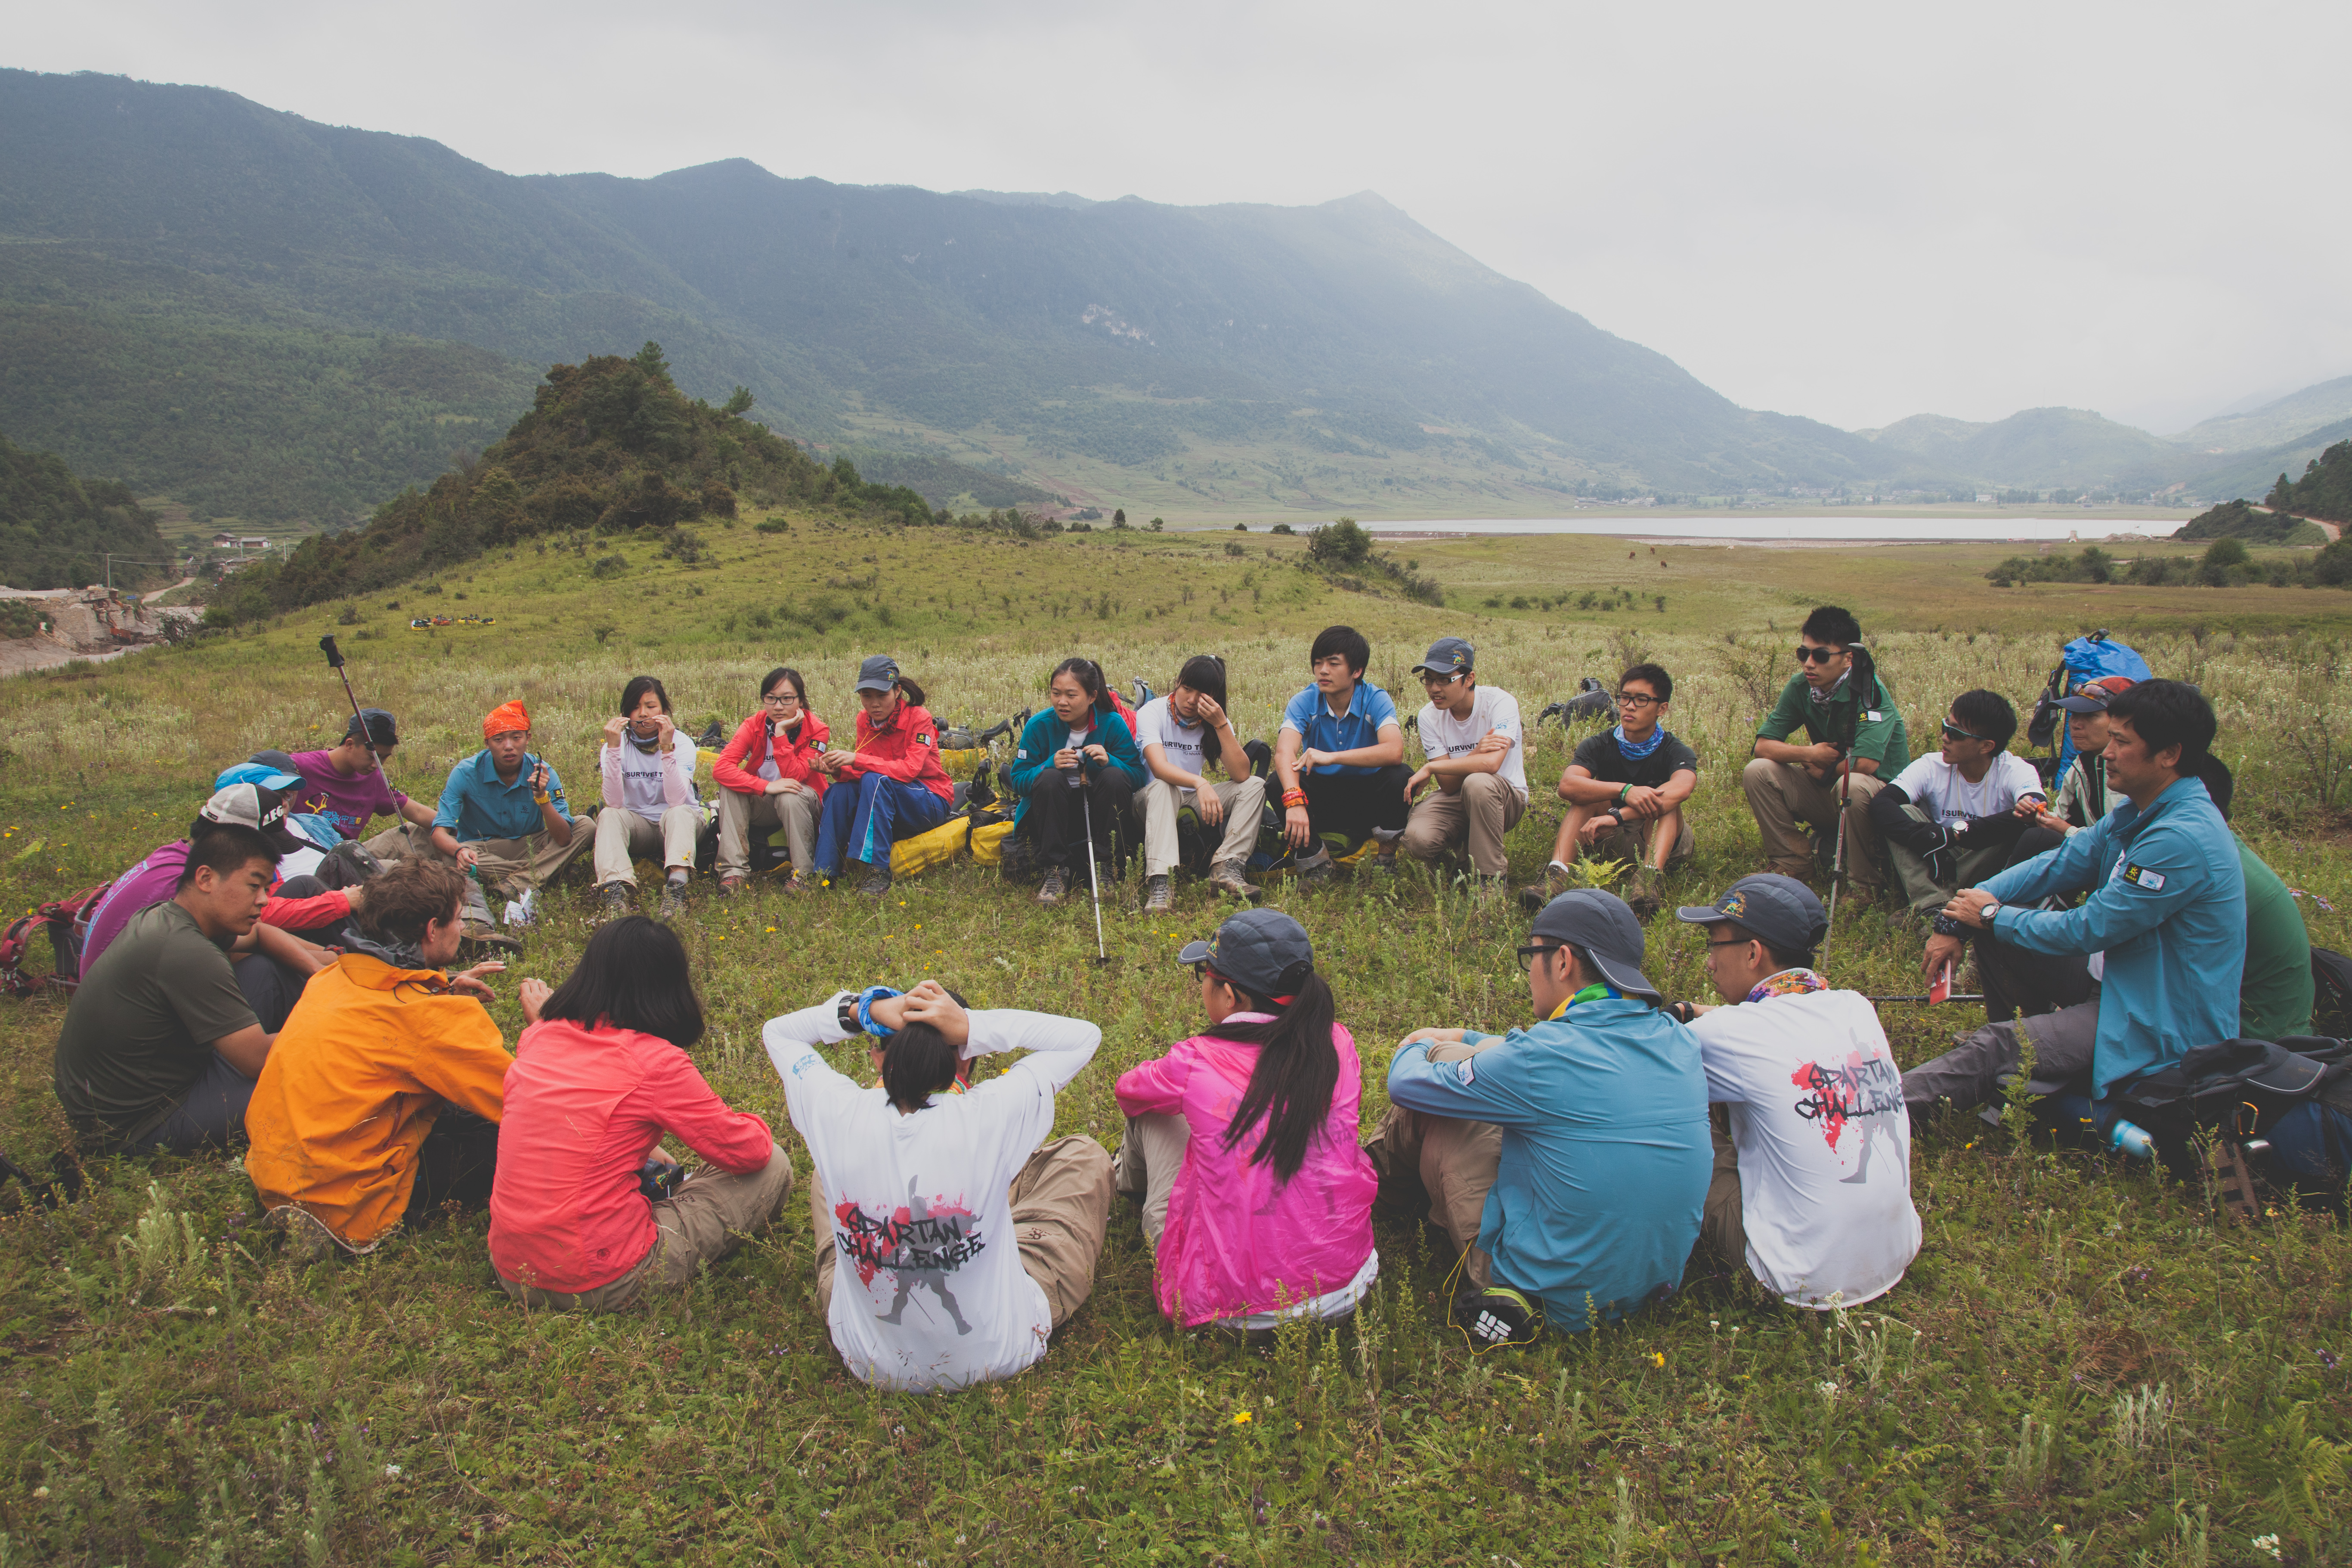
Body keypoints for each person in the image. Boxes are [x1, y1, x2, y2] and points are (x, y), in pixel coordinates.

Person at [1366, 890, 1709, 1343]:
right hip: (1649, 1284)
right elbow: (1525, 1053)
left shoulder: (1542, 1057)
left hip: (1539, 1296)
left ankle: (1373, 1198)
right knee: (1466, 1056)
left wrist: (1415, 1044)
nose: (1528, 970)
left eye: (1531, 954)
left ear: (1563, 961)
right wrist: (1467, 1034)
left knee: (1439, 1091)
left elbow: (1406, 1085)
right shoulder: (1680, 1041)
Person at [1902, 680, 2247, 1120]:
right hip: (2114, 980)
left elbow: (2089, 928)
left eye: (2121, 742)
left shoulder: (2178, 839)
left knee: (1998, 1043)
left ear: (2169, 754)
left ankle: (1870, 1111)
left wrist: (1988, 914)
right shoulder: (2140, 811)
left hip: (2151, 1020)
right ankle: (2024, 1060)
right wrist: (1965, 915)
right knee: (2001, 934)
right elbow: (2060, 862)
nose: (2107, 752)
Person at [763, 982, 1114, 1392]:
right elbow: (1084, 1036)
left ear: (882, 1060)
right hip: (1001, 1349)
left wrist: (869, 1010)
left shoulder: (836, 1113)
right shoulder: (991, 1116)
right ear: (962, 1059)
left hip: (866, 1353)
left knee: (828, 1177)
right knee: (1081, 1155)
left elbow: (779, 1032)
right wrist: (970, 1025)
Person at [489, 917, 793, 1310]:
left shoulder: (537, 1037)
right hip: (605, 1276)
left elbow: (574, 1119)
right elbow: (749, 1152)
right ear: (668, 987)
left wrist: (645, 1146)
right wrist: (747, 1121)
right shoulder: (656, 1061)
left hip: (514, 1270)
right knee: (774, 1164)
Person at [242, 859, 536, 1256]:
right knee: (514, 1137)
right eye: (457, 919)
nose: (463, 928)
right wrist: (543, 1030)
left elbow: (389, 1018)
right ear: (432, 930)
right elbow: (532, 1103)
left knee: (450, 1108)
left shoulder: (331, 979)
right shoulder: (432, 1019)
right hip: (349, 1204)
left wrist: (440, 986)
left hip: (278, 1176)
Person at [1113, 910, 1380, 1330]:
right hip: (1346, 1285)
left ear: (1231, 996)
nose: (1202, 981)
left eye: (1205, 972)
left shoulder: (1194, 1059)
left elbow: (1128, 1091)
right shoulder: (1337, 1042)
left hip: (1235, 1308)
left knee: (1152, 1115)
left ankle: (1124, 1184)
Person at [1673, 875, 1920, 1308]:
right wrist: (1696, 1010)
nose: (1709, 964)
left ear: (1752, 953)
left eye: (1715, 945)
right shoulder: (1856, 1006)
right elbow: (1771, 1026)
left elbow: (1636, 1074)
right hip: (1895, 1252)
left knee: (1669, 1109)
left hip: (1796, 1276)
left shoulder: (1731, 1033)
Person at [52, 787, 333, 1154]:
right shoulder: (187, 952)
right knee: (314, 1084)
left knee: (264, 969)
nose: (264, 899)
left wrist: (331, 967)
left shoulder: (171, 916)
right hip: (138, 1123)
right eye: (254, 886)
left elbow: (261, 936)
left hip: (148, 1081)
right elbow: (258, 1059)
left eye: (266, 887)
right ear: (205, 879)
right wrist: (342, 1019)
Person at [80, 766, 360, 971]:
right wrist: (340, 907)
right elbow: (258, 927)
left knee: (301, 887)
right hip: (132, 996)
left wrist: (332, 957)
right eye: (261, 847)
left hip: (140, 971)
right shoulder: (188, 886)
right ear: (231, 840)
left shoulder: (180, 856)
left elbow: (252, 934)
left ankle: (362, 956)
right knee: (263, 969)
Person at [1742, 606, 1909, 904]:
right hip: (1831, 791)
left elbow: (1868, 764)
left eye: (1820, 655)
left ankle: (1863, 886)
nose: (1809, 664)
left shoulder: (1871, 692)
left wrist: (1829, 768)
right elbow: (1764, 746)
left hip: (1880, 802)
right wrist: (1810, 754)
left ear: (1849, 658)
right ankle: (1792, 862)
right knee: (1758, 770)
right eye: (1803, 653)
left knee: (1854, 784)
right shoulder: (1801, 686)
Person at [1520, 662, 1697, 919]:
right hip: (1610, 836)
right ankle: (1556, 877)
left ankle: (1648, 881)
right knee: (1583, 797)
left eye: (1642, 700)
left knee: (1667, 803)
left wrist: (1617, 815)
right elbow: (1568, 786)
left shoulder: (1676, 751)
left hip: (1662, 842)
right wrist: (1625, 790)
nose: (1630, 706)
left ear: (1662, 709)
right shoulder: (1598, 744)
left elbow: (1681, 789)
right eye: (1625, 698)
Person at [1866, 690, 2046, 919]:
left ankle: (1946, 904)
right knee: (1903, 812)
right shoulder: (1931, 765)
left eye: (1955, 733)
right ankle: (1934, 904)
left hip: (1983, 859)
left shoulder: (2015, 770)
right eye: (1945, 726)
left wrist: (1952, 835)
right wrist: (1925, 836)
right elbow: (1883, 803)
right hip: (1937, 855)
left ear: (1986, 746)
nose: (1944, 737)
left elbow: (2036, 805)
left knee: (2022, 824)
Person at [425, 700, 592, 939]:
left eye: (516, 737)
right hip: (481, 849)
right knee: (451, 858)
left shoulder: (544, 772)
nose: (509, 747)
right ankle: (548, 874)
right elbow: (440, 833)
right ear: (487, 744)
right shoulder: (465, 773)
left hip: (531, 845)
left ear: (528, 738)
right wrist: (460, 851)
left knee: (586, 825)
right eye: (499, 740)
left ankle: (517, 883)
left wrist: (542, 797)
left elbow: (564, 837)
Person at [1273, 625, 1410, 887]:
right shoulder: (1305, 701)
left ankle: (1386, 861)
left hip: (1368, 799)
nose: (1323, 671)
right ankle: (1317, 864)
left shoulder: (1375, 699)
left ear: (1356, 671)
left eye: (1333, 663)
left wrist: (1333, 757)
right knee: (1277, 782)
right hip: (1323, 798)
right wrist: (1294, 801)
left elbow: (1394, 751)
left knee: (1400, 776)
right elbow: (1284, 752)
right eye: (1318, 663)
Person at [1008, 658, 1147, 908]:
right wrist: (1048, 764)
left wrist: (1110, 761)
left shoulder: (1112, 724)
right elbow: (1018, 780)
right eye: (1056, 694)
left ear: (1092, 696)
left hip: (1098, 816)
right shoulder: (1038, 726)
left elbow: (1137, 777)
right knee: (1050, 779)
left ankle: (1107, 868)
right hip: (1052, 815)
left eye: (1071, 695)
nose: (1062, 702)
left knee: (1114, 777)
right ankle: (1055, 872)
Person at [811, 656, 953, 897]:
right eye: (867, 696)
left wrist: (856, 759)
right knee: (838, 791)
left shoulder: (919, 718)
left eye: (882, 695)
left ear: (897, 691)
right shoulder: (864, 720)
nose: (874, 704)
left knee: (874, 780)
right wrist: (836, 769)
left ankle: (876, 870)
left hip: (929, 798)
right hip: (884, 796)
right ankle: (826, 872)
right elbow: (860, 772)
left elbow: (909, 771)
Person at [1133, 654, 1265, 912]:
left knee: (1255, 786)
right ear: (1177, 683)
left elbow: (1241, 774)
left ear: (1215, 696)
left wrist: (1221, 725)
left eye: (1202, 694)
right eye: (1187, 689)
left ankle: (1227, 867)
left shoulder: (1214, 720)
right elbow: (1159, 768)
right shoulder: (1153, 712)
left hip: (1189, 802)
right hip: (1149, 801)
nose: (1192, 700)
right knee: (1164, 786)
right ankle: (1161, 881)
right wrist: (1200, 783)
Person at [1396, 637, 1528, 893]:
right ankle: (1457, 862)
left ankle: (1490, 881)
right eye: (1429, 679)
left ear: (1469, 679)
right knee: (1417, 840)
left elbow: (1491, 764)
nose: (1435, 688)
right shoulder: (1428, 716)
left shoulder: (1499, 703)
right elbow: (1448, 784)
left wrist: (1433, 768)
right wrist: (1477, 751)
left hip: (1505, 797)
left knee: (1478, 783)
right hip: (1457, 796)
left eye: (1445, 680)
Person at [591, 675, 704, 921]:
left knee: (680, 812)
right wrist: (612, 750)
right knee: (608, 815)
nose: (643, 714)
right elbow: (614, 801)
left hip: (678, 825)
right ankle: (615, 892)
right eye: (635, 707)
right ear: (625, 713)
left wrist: (666, 749)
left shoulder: (682, 743)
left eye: (651, 706)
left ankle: (676, 891)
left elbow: (676, 799)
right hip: (638, 826)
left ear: (663, 710)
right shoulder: (616, 743)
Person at [711, 666, 830, 894]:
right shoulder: (753, 725)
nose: (778, 706)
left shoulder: (818, 730)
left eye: (787, 699)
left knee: (789, 793)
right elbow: (721, 768)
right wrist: (765, 786)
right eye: (771, 699)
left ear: (801, 701)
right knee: (730, 787)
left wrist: (780, 734)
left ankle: (803, 876)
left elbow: (795, 776)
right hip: (767, 802)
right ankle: (733, 872)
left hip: (805, 804)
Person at [285, 708, 438, 850]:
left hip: (349, 857)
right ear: (350, 745)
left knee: (427, 831)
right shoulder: (298, 766)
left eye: (384, 758)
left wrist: (455, 824)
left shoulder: (375, 779)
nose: (376, 765)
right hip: (306, 858)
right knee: (392, 870)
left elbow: (416, 812)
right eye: (372, 757)